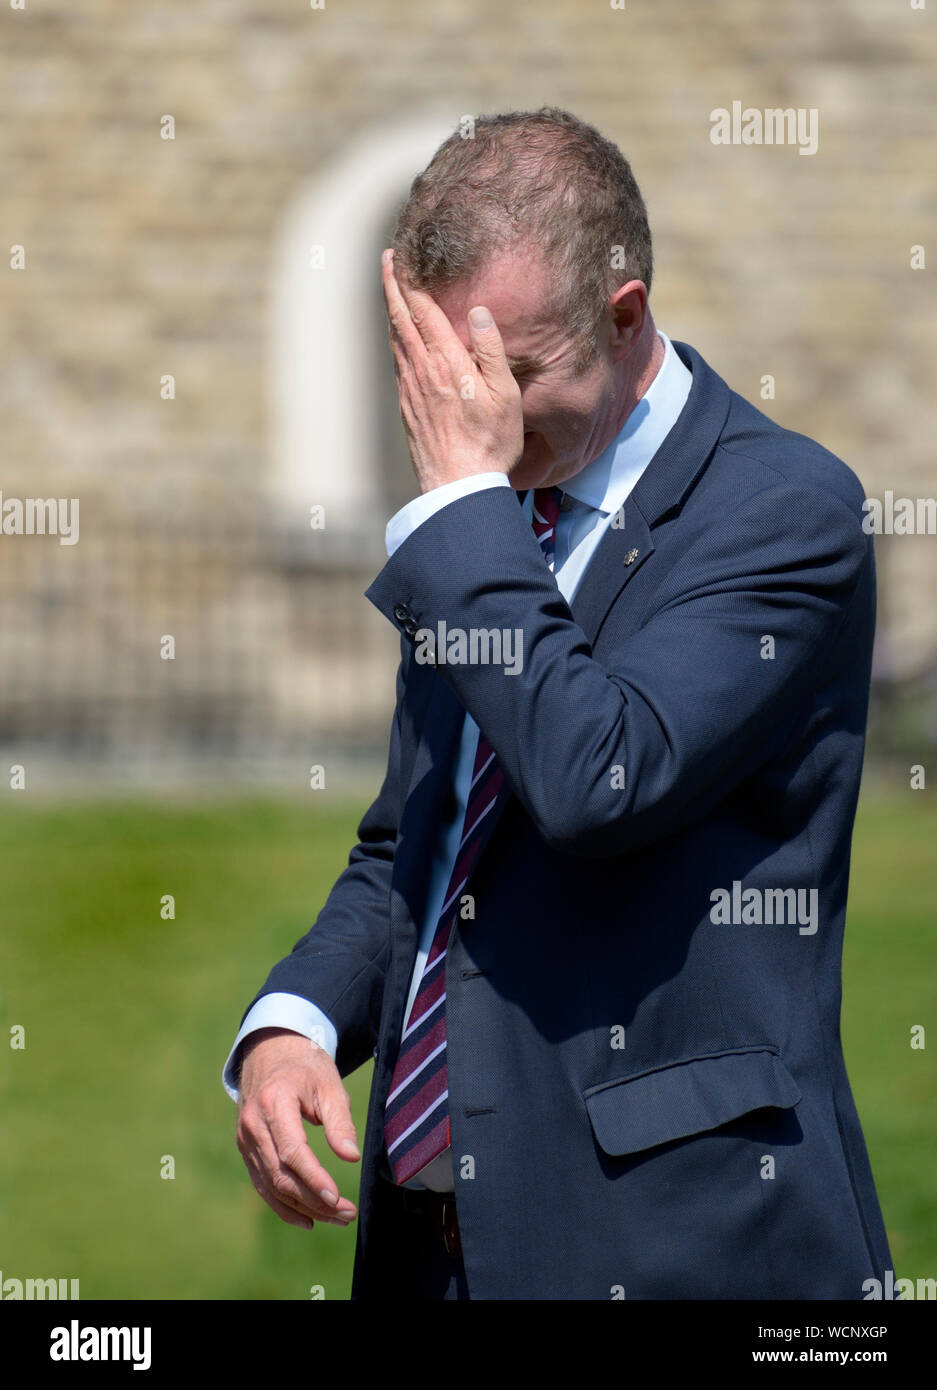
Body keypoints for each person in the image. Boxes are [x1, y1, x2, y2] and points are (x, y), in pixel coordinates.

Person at [223, 107, 893, 1300]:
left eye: (510, 372)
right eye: (438, 370)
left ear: (624, 317)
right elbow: (416, 846)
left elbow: (598, 777)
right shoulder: (491, 518)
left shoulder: (782, 513)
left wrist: (462, 516)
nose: (467, 414)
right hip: (431, 1242)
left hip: (676, 1241)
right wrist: (297, 1022)